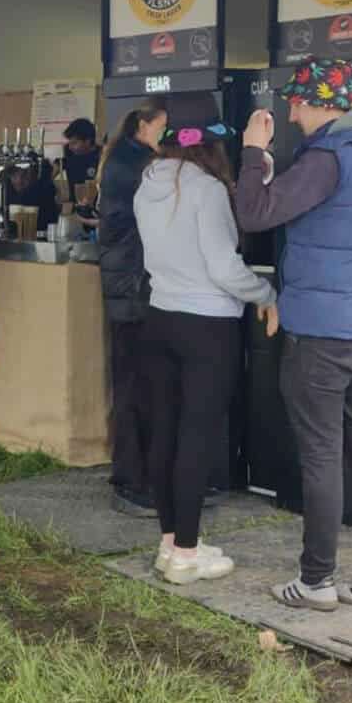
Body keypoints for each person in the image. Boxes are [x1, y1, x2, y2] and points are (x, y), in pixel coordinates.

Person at [236, 57, 352, 616]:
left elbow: (255, 213)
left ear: (319, 103)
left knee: (321, 457)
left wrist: (251, 152)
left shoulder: (328, 158)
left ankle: (317, 581)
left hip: (321, 336)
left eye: (296, 99)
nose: (289, 108)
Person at [135, 93, 278, 586]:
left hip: (160, 318)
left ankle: (170, 542)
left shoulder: (149, 181)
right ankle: (189, 554)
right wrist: (264, 292)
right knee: (198, 436)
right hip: (207, 326)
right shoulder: (207, 190)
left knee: (167, 433)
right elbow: (223, 267)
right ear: (211, 143)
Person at [98, 98, 168, 516]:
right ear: (143, 125)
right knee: (135, 386)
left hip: (126, 284)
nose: (166, 138)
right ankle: (131, 481)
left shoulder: (122, 158)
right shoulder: (139, 164)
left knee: (133, 383)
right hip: (133, 287)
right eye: (162, 129)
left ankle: (133, 475)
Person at [61, 118, 100, 190]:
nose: (70, 147)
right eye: (69, 143)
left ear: (88, 141)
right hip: (74, 201)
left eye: (74, 143)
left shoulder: (103, 157)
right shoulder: (69, 153)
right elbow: (60, 163)